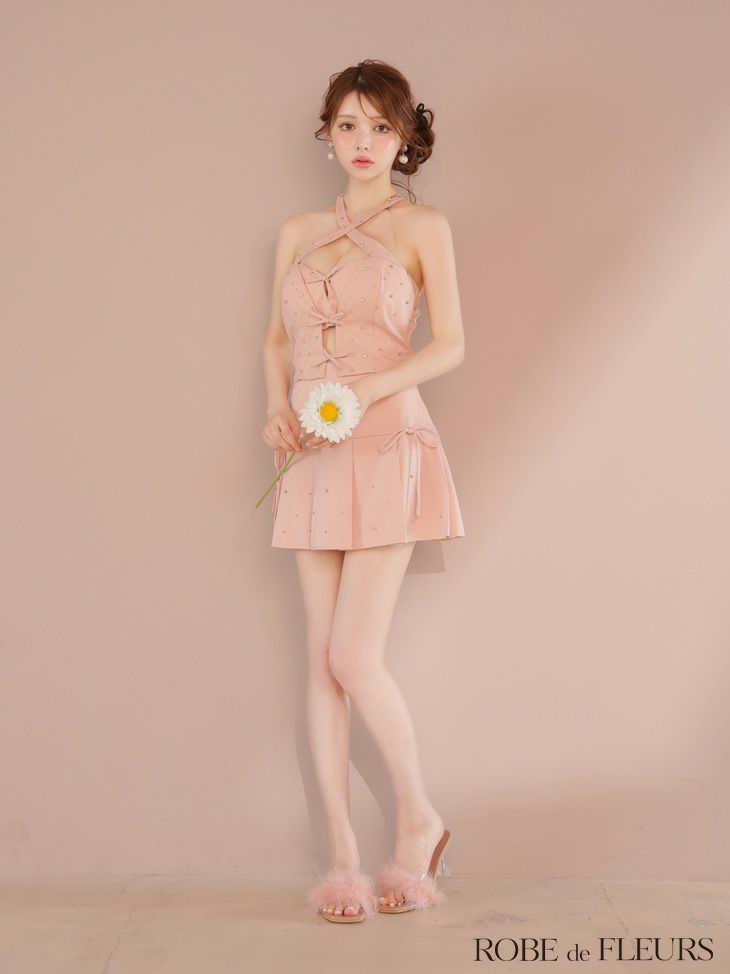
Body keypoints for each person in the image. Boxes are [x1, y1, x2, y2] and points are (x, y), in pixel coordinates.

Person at [260, 59, 465, 923]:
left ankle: (418, 820)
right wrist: (278, 409)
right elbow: (276, 342)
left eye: (380, 126)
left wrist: (372, 389)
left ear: (405, 136)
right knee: (320, 661)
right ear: (327, 133)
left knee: (354, 655)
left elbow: (450, 343)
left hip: (388, 443)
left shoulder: (425, 227)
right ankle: (343, 861)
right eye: (348, 124)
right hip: (312, 450)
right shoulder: (297, 230)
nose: (363, 141)